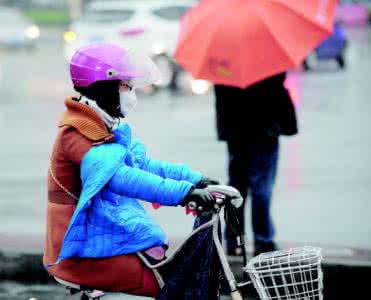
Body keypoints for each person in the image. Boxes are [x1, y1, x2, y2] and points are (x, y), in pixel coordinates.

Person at [43, 43, 218, 298]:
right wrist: (184, 193)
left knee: (168, 269)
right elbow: (121, 178)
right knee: (169, 284)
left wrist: (194, 180)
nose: (130, 92)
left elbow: (143, 165)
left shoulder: (102, 125)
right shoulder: (78, 133)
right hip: (78, 250)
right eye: (125, 86)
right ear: (102, 87)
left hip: (101, 235)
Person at [214, 73, 298, 257]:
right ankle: (263, 242)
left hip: (235, 130)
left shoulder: (224, 57)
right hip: (264, 129)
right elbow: (277, 90)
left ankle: (235, 242)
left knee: (237, 187)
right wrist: (289, 124)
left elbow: (220, 92)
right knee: (261, 187)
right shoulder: (265, 57)